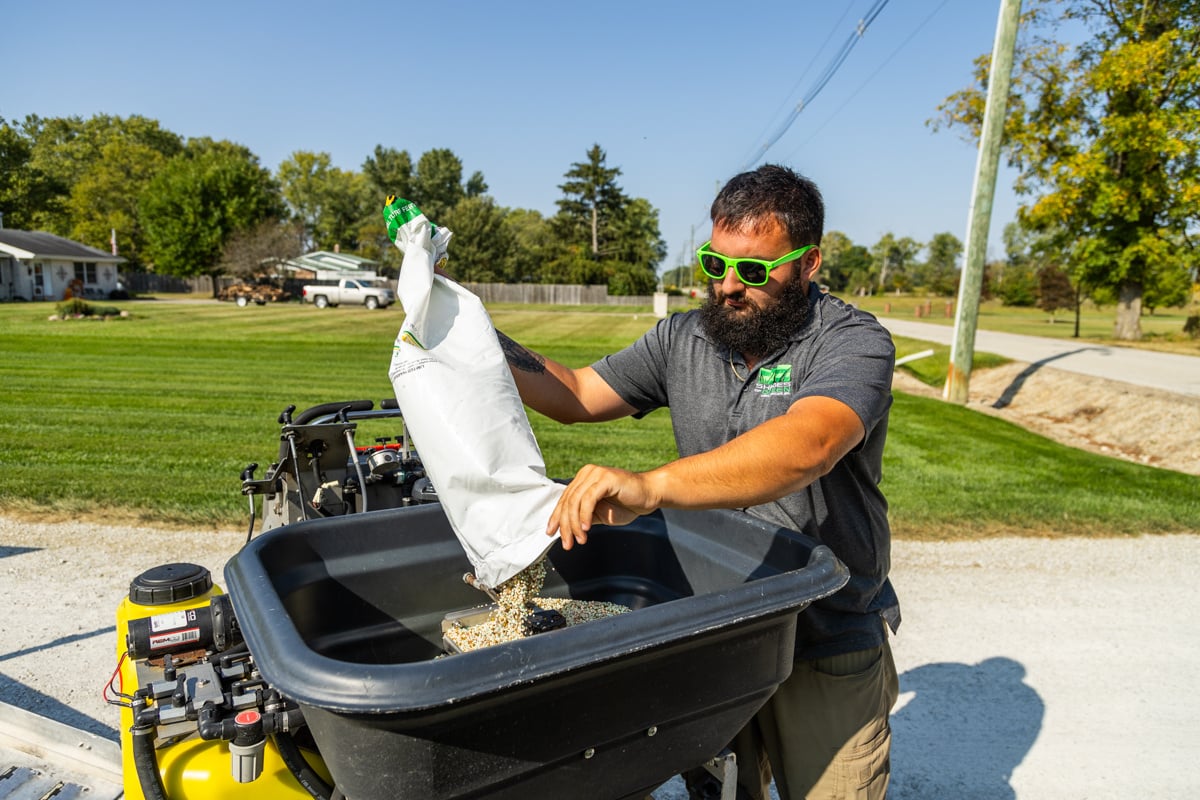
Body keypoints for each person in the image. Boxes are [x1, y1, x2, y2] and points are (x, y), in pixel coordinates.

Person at [497, 164, 900, 800]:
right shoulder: (683, 338)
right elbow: (575, 392)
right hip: (718, 628)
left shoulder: (853, 343)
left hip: (825, 631)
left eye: (756, 270)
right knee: (721, 793)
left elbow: (809, 444)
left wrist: (652, 487)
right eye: (716, 265)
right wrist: (465, 330)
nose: (730, 287)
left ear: (809, 263)